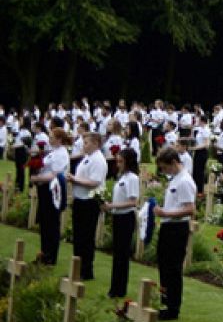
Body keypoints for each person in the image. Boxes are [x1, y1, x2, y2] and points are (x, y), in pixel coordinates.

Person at [153, 146, 196, 320]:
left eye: (165, 167)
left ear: (173, 163)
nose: (164, 172)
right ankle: (165, 302)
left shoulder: (184, 180)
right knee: (164, 266)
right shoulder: (175, 179)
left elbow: (189, 209)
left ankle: (173, 307)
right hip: (168, 225)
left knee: (173, 268)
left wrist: (166, 213)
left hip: (177, 228)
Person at [67, 131, 108, 280]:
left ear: (96, 144)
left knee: (86, 237)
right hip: (80, 199)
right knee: (78, 237)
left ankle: (86, 270)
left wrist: (75, 180)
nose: (84, 145)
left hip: (89, 201)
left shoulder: (98, 160)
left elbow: (94, 182)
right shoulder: (87, 158)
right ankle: (77, 268)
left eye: (86, 143)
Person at [103, 146, 141, 298]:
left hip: (126, 217)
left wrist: (112, 206)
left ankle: (119, 289)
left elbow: (133, 202)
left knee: (122, 254)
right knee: (117, 253)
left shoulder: (132, 178)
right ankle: (115, 286)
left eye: (121, 161)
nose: (117, 164)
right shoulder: (122, 177)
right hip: (118, 216)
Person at [32, 128, 70, 265]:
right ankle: (44, 253)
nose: (50, 139)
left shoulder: (62, 153)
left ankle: (50, 256)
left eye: (52, 137)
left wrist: (37, 178)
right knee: (45, 223)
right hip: (45, 189)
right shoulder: (53, 151)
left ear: (59, 139)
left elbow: (54, 174)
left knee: (51, 224)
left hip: (53, 190)